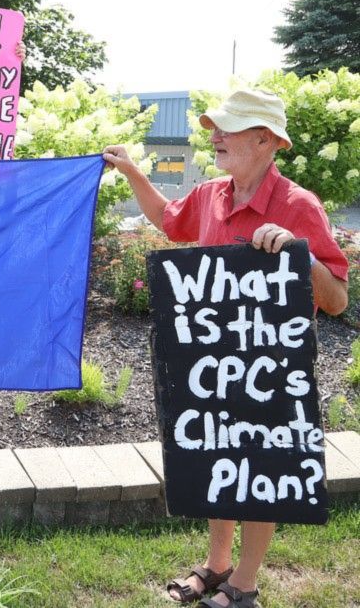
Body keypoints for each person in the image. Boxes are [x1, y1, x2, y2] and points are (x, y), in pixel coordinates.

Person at [103, 89, 348, 608]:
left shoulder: (299, 206)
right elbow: (169, 220)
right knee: (219, 455)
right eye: (215, 126)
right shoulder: (212, 193)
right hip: (212, 366)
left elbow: (337, 300)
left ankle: (245, 584)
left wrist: (298, 255)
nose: (214, 135)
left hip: (271, 365)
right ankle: (216, 567)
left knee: (261, 468)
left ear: (266, 140)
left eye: (228, 128)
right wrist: (131, 173)